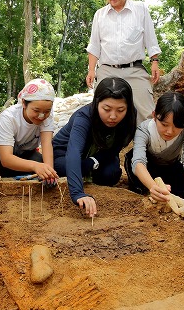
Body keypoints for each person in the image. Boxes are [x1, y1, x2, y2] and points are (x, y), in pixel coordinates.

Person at [53, 77, 137, 218]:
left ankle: (87, 170)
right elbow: (73, 152)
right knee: (67, 166)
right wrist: (78, 193)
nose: (113, 116)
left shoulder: (130, 117)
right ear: (96, 103)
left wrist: (92, 162)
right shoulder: (84, 117)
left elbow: (116, 148)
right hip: (64, 154)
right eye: (106, 109)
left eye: (121, 110)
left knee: (111, 174)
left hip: (99, 156)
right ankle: (85, 172)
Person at [86, 0, 161, 124]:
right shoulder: (99, 15)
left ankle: (144, 147)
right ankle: (102, 146)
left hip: (135, 69)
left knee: (146, 114)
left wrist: (154, 62)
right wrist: (91, 70)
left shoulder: (141, 9)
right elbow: (94, 46)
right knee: (101, 112)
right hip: (107, 70)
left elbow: (150, 40)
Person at [124, 91, 184, 203]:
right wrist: (153, 186)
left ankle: (165, 192)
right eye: (164, 125)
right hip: (148, 169)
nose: (169, 131)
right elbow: (138, 162)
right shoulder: (144, 129)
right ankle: (152, 191)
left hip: (170, 167)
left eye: (177, 126)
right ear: (154, 116)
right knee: (137, 175)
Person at [0, 78, 58, 186]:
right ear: (24, 103)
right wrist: (35, 167)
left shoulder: (48, 117)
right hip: (0, 156)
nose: (41, 116)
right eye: (36, 111)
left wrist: (49, 171)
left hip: (26, 153)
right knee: (34, 165)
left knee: (42, 164)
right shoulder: (9, 117)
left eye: (46, 111)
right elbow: (6, 159)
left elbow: (47, 144)